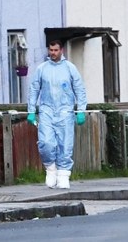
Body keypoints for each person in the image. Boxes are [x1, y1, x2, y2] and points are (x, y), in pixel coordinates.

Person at [27, 39, 88, 189]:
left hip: (65, 111)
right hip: (47, 110)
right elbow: (34, 89)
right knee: (46, 142)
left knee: (65, 144)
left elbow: (79, 89)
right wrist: (31, 111)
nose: (53, 53)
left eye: (55, 50)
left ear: (61, 51)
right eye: (51, 50)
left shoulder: (70, 68)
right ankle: (51, 168)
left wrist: (81, 110)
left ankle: (63, 174)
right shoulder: (42, 69)